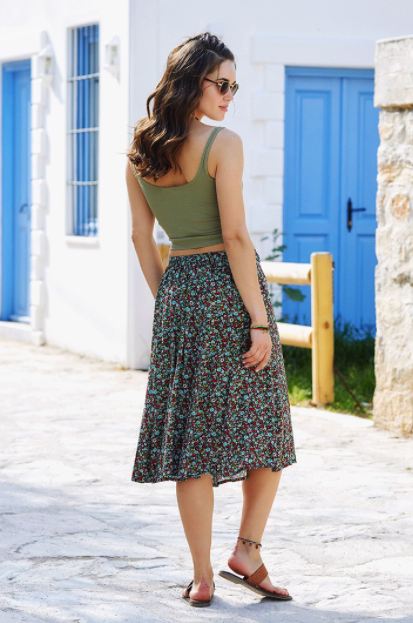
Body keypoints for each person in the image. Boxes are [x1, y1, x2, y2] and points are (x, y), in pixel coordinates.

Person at [125, 32, 297, 608]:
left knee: (190, 440)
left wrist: (169, 302)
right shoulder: (223, 144)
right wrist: (259, 322)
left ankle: (202, 576)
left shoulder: (140, 150)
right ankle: (246, 550)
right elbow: (236, 236)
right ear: (190, 81)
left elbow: (141, 236)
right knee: (267, 427)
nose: (229, 95)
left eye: (234, 86)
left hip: (180, 293)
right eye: (220, 83)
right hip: (230, 291)